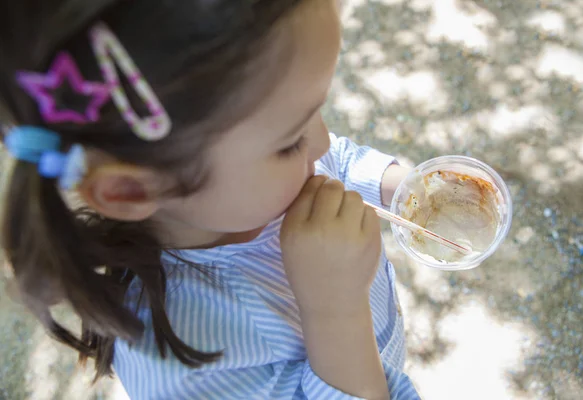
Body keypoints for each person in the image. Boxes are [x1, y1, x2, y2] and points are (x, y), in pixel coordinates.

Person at [0, 0, 420, 399]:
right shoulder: (182, 360)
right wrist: (335, 309)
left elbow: (338, 159)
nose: (322, 141)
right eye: (291, 141)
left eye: (317, 111)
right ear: (132, 190)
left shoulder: (265, 182)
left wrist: (406, 188)